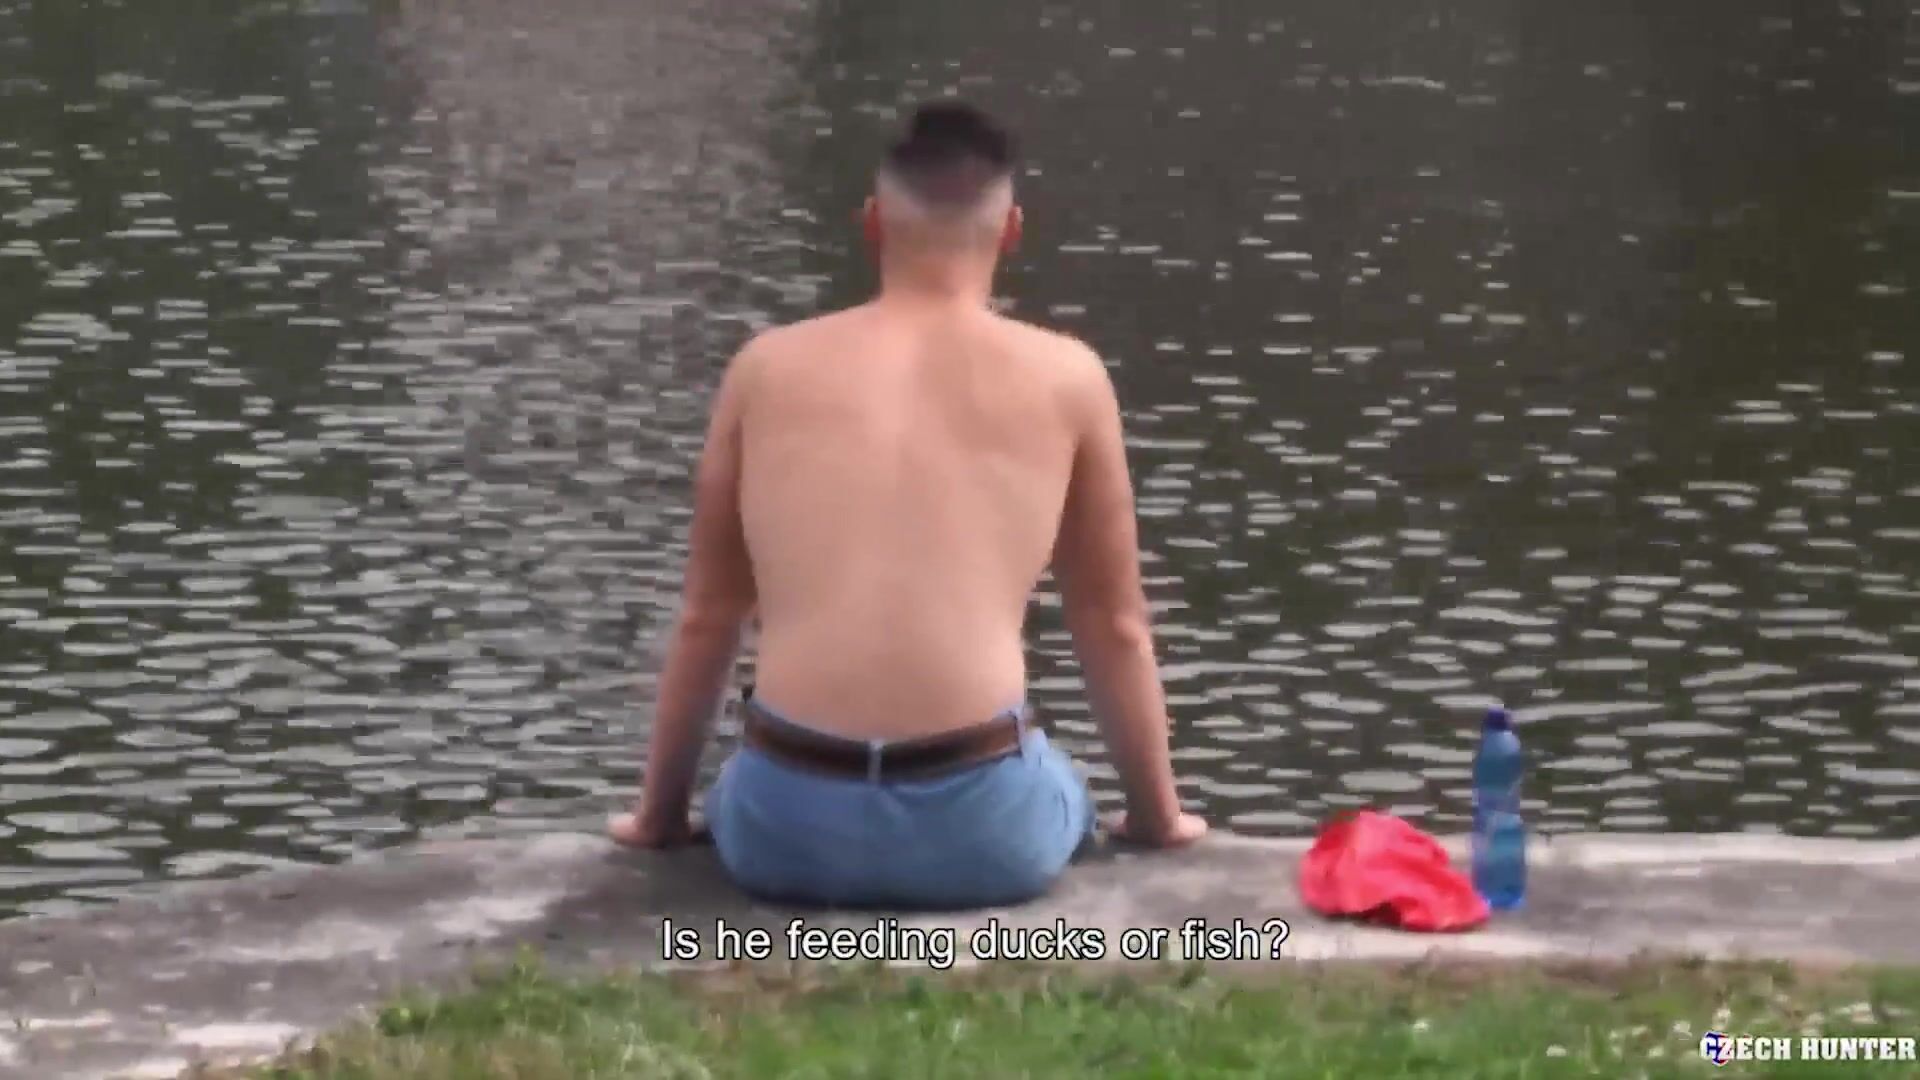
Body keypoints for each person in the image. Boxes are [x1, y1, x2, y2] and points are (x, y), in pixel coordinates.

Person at [608, 102, 1206, 908]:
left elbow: (708, 616)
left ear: (872, 223)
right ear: (1011, 231)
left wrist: (657, 817)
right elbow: (1113, 623)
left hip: (785, 831)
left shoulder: (765, 369)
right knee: (1060, 786)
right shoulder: (1069, 378)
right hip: (982, 835)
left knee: (741, 782)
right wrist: (1159, 819)